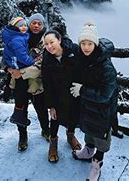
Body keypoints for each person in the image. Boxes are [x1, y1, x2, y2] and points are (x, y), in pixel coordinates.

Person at [70, 21, 118, 181]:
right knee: (89, 132)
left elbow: (106, 94)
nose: (86, 47)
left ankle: (96, 165)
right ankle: (88, 151)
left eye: (89, 43)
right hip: (87, 106)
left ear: (95, 44)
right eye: (83, 43)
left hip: (102, 110)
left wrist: (82, 90)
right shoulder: (82, 59)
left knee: (101, 138)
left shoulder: (105, 67)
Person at [2, 15, 50, 151]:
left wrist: (20, 73)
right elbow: (6, 56)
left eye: (39, 24)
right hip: (19, 84)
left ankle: (46, 130)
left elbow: (41, 65)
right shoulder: (19, 36)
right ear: (28, 24)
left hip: (37, 83)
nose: (36, 26)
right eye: (33, 23)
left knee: (41, 109)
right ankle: (22, 136)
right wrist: (9, 68)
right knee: (20, 110)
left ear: (43, 26)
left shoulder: (46, 42)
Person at [41, 30, 83, 163]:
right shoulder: (47, 58)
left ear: (59, 40)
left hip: (74, 92)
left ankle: (70, 136)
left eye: (52, 42)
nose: (49, 46)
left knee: (74, 116)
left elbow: (84, 66)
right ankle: (53, 144)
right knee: (54, 118)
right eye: (46, 44)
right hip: (57, 95)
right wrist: (51, 106)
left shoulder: (73, 50)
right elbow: (46, 83)